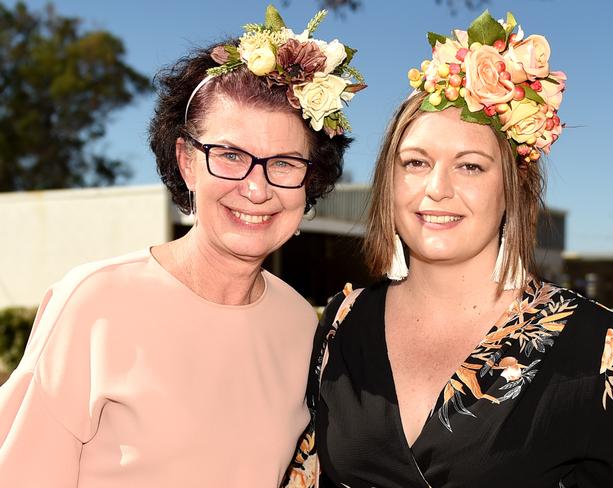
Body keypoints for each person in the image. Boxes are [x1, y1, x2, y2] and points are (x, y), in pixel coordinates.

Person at [0, 5, 365, 487]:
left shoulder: (300, 324)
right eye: (231, 155)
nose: (256, 188)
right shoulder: (93, 302)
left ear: (309, 180)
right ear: (186, 161)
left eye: (283, 162)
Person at [298, 10, 613, 488]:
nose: (437, 189)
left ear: (512, 189)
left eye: (470, 167)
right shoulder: (343, 322)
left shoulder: (592, 343)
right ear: (389, 181)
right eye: (416, 162)